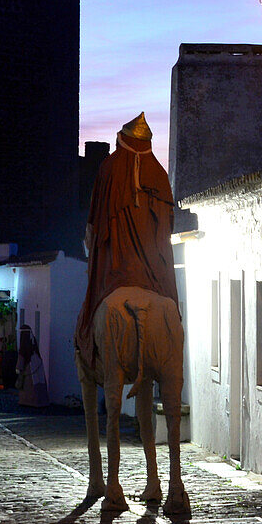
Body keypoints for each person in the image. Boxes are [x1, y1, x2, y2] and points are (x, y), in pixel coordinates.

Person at [75, 112, 179, 367]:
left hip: (116, 270)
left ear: (123, 139)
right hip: (153, 272)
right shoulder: (159, 174)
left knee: (90, 311)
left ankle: (91, 355)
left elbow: (95, 222)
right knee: (171, 314)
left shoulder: (109, 167)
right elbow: (167, 228)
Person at [16, 324, 49, 407]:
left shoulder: (24, 344)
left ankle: (28, 402)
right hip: (37, 365)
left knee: (28, 386)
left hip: (28, 367)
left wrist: (18, 368)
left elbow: (22, 356)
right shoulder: (33, 343)